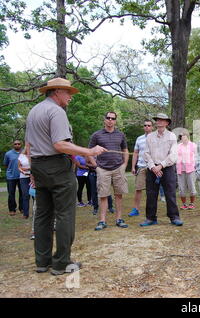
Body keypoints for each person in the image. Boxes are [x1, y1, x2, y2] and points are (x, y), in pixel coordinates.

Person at [25, 77, 106, 275]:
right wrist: (90, 152)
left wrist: (33, 171)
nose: (70, 96)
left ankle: (42, 261)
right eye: (68, 92)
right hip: (57, 167)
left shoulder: (34, 111)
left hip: (38, 166)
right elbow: (60, 144)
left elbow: (28, 146)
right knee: (64, 214)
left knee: (43, 215)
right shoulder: (56, 111)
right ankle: (61, 262)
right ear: (57, 91)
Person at [140, 113, 183, 227]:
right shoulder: (150, 136)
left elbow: (173, 154)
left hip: (167, 168)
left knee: (170, 193)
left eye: (161, 120)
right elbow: (146, 153)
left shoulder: (172, 136)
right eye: (157, 120)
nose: (158, 121)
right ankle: (150, 218)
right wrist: (153, 166)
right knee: (151, 194)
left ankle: (174, 217)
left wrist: (161, 165)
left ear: (166, 123)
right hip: (152, 168)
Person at [88, 112, 129, 231]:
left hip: (118, 168)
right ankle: (102, 221)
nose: (110, 120)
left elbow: (125, 150)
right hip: (103, 169)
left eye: (113, 118)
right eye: (108, 118)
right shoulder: (97, 135)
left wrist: (124, 165)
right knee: (103, 195)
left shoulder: (120, 135)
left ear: (115, 121)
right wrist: (96, 166)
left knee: (118, 194)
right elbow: (89, 151)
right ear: (104, 120)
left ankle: (119, 219)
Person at [128, 119, 154, 217]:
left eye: (149, 125)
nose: (147, 127)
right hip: (141, 166)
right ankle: (136, 209)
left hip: (152, 168)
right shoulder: (139, 139)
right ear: (143, 127)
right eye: (145, 125)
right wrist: (133, 166)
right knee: (138, 189)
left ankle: (151, 209)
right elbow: (135, 153)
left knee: (151, 190)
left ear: (152, 127)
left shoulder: (156, 138)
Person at [177, 131, 197, 210]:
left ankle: (192, 203)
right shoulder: (178, 146)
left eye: (183, 136)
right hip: (180, 170)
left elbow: (197, 156)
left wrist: (194, 165)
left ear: (187, 136)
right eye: (181, 136)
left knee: (191, 187)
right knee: (182, 188)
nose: (182, 137)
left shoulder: (193, 145)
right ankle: (184, 204)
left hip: (191, 169)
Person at [3, 140, 23, 216]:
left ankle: (22, 208)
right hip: (11, 177)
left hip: (22, 176)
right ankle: (12, 209)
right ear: (13, 145)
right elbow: (6, 164)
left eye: (18, 144)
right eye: (15, 144)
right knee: (11, 194)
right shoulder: (8, 154)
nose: (17, 145)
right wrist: (11, 171)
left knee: (22, 193)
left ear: (21, 145)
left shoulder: (24, 153)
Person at [17, 145, 31, 219]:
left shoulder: (34, 155)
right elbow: (19, 167)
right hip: (23, 177)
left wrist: (27, 168)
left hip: (33, 177)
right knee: (25, 195)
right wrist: (23, 171)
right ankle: (25, 214)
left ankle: (38, 214)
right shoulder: (21, 156)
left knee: (35, 195)